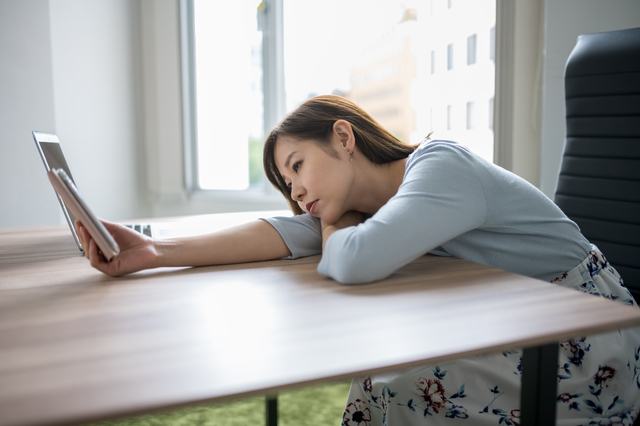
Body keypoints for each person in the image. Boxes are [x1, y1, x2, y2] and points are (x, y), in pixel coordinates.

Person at [76, 95, 640, 426]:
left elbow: (354, 260)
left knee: (392, 381)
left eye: (297, 166)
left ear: (343, 137)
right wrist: (155, 253)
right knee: (384, 375)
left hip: (584, 335)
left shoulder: (441, 166)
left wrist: (335, 227)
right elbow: (280, 233)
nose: (295, 190)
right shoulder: (368, 205)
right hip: (516, 320)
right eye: (286, 181)